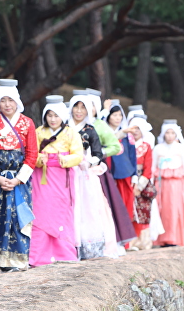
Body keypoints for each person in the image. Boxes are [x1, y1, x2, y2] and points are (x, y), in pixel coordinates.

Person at [0, 79, 38, 273]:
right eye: (3, 100)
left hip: (18, 180)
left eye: (11, 100)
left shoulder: (27, 123)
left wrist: (18, 179)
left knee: (16, 217)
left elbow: (32, 155)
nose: (7, 104)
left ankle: (15, 260)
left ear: (17, 101)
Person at [30, 95, 83, 266]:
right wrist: (39, 159)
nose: (53, 119)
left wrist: (66, 160)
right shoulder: (38, 132)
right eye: (50, 115)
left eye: (56, 115)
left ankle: (64, 253)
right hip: (42, 176)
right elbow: (31, 153)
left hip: (62, 176)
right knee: (40, 211)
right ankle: (38, 255)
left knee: (61, 212)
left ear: (63, 116)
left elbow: (78, 155)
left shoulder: (71, 133)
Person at [68, 91, 119, 259]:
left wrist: (88, 162)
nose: (79, 111)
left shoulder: (90, 130)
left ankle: (89, 247)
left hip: (84, 174)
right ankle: (67, 246)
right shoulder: (64, 128)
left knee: (88, 209)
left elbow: (98, 153)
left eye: (83, 107)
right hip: (65, 173)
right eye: (76, 106)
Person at [85, 90, 135, 252]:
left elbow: (114, 146)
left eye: (92, 105)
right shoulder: (69, 124)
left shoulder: (99, 125)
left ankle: (102, 242)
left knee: (101, 207)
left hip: (96, 170)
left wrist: (97, 154)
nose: (86, 108)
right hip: (75, 171)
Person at [151, 120, 184, 247]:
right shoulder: (158, 149)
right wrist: (151, 186)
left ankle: (174, 238)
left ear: (176, 135)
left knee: (175, 210)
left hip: (176, 185)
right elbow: (152, 168)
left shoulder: (181, 149)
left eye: (172, 133)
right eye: (167, 133)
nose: (170, 135)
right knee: (162, 210)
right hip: (161, 185)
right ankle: (161, 238)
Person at [104, 99, 138, 250]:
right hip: (109, 174)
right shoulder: (104, 132)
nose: (117, 118)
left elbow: (132, 156)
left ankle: (125, 242)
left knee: (125, 206)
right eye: (114, 115)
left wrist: (135, 174)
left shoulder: (128, 136)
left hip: (125, 175)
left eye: (119, 115)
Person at [128, 115, 158, 250]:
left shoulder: (146, 147)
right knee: (130, 211)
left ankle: (143, 242)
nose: (135, 132)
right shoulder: (126, 145)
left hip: (142, 182)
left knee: (142, 211)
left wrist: (140, 186)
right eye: (133, 129)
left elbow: (148, 168)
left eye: (137, 129)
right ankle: (130, 242)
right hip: (127, 180)